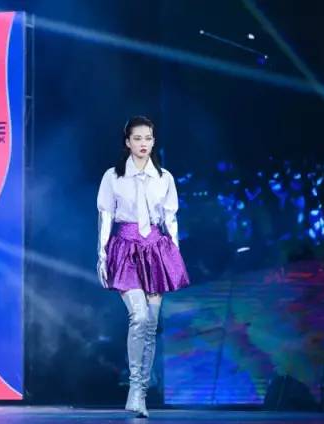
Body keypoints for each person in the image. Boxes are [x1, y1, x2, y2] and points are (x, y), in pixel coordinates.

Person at [96, 116, 190, 417]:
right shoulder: (113, 176)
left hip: (156, 251)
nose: (143, 143)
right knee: (137, 316)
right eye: (137, 138)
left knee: (150, 324)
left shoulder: (164, 178)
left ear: (153, 141)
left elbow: (170, 219)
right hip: (125, 249)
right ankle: (135, 387)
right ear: (127, 142)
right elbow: (105, 217)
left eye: (148, 138)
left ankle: (141, 393)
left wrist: (174, 255)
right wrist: (101, 255)